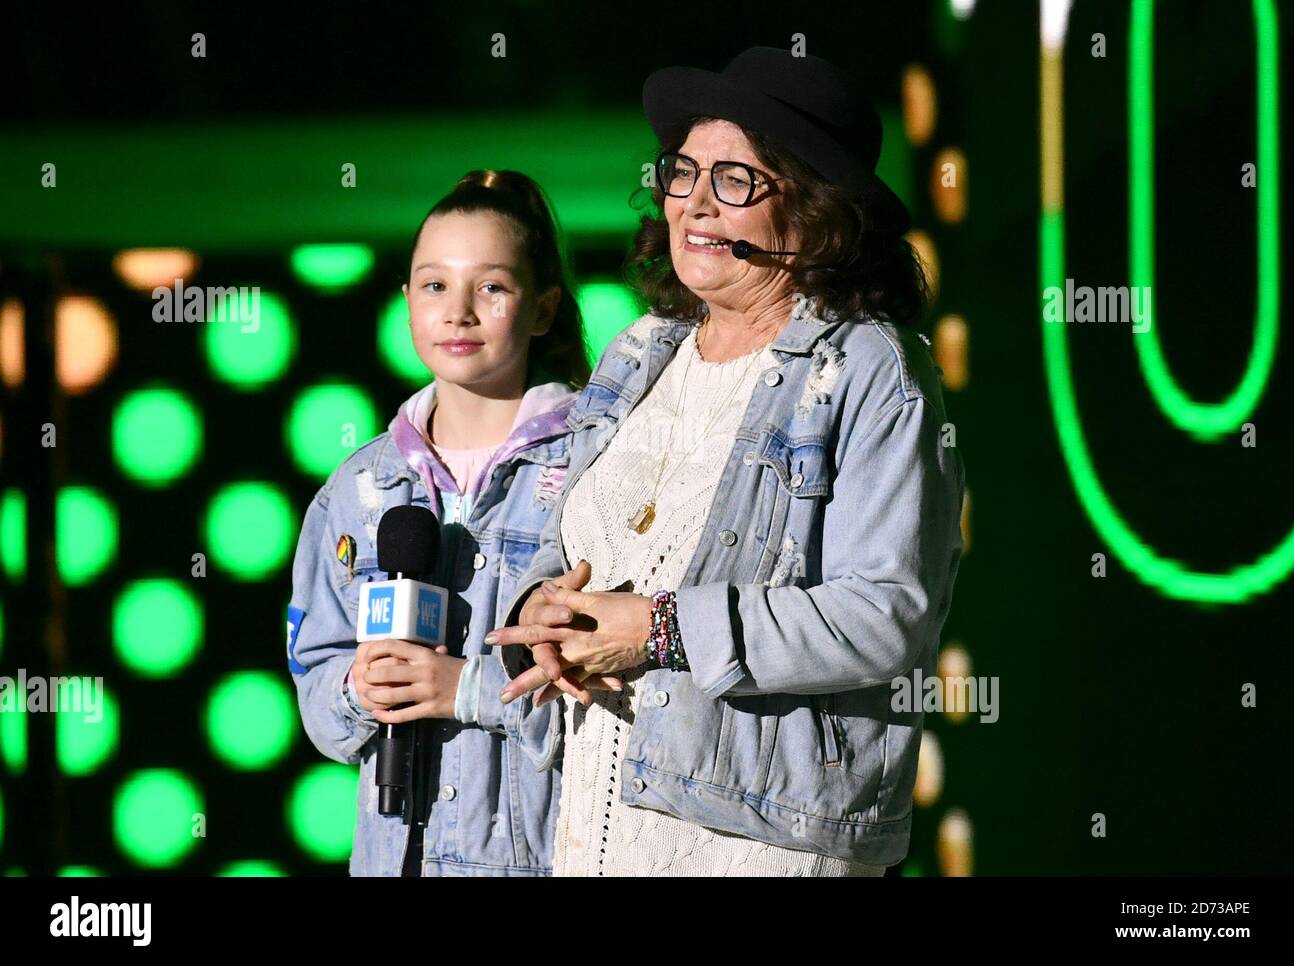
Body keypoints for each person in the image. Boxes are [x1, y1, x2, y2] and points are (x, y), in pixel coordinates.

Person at [488, 47, 965, 876]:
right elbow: (554, 539)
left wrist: (662, 631)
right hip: (592, 821)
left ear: (817, 212)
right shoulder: (640, 352)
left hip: (751, 843)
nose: (695, 204)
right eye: (682, 173)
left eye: (737, 180)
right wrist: (541, 609)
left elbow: (886, 614)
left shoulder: (868, 368)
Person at [286, 170, 594, 875]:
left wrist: (468, 688)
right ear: (406, 302)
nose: (458, 311)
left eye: (490, 287)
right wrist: (357, 691)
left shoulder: (598, 467)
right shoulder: (359, 487)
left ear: (542, 308)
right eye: (434, 285)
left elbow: (631, 698)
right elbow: (318, 695)